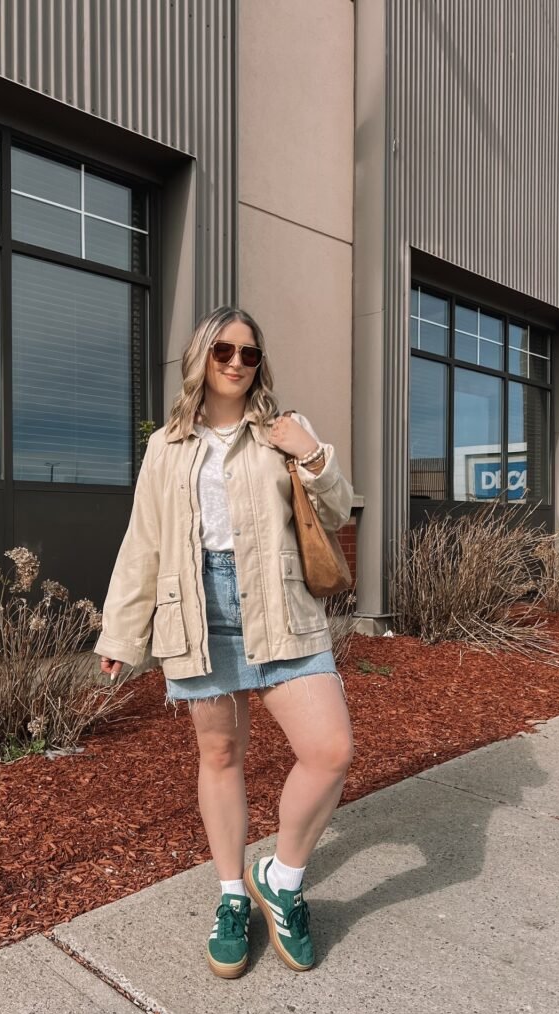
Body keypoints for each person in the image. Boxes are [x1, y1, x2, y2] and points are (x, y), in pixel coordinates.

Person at [95, 305, 354, 978]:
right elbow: (143, 542)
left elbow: (336, 505)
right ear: (200, 359)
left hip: (279, 601)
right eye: (224, 352)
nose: (238, 363)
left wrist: (313, 453)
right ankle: (232, 896)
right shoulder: (167, 445)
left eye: (249, 353)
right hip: (197, 608)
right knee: (219, 755)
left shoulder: (280, 432)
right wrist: (122, 631)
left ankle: (282, 879)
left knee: (328, 750)